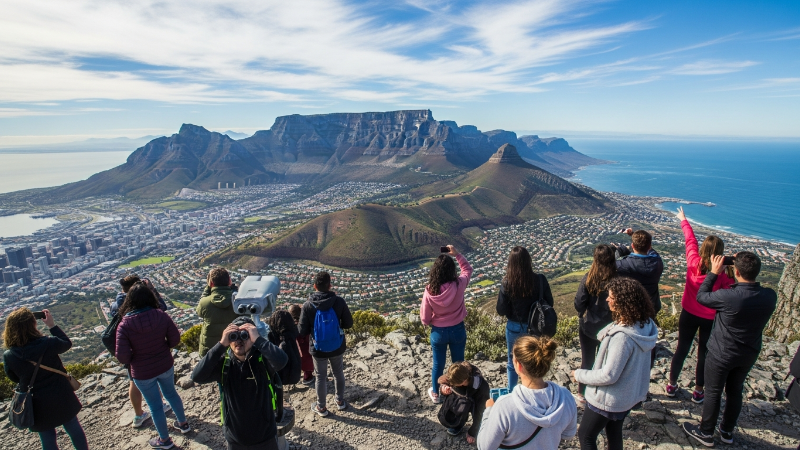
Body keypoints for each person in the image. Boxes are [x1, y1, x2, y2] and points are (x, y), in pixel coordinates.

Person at [683, 252, 777, 447]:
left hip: (722, 353)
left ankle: (706, 432)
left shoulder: (729, 297)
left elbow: (702, 296)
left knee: (713, 392)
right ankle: (727, 431)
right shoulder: (769, 296)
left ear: (736, 271)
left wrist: (714, 273)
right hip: (748, 353)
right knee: (735, 391)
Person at [573, 277, 658, 450]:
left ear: (623, 302)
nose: (607, 299)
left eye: (611, 297)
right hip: (628, 396)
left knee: (586, 435)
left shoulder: (623, 337)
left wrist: (579, 375)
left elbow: (608, 374)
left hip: (609, 399)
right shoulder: (645, 324)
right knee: (613, 430)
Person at [666, 207, 735, 403]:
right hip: (710, 319)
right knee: (703, 353)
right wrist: (730, 267)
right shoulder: (722, 274)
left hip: (688, 313)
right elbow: (731, 292)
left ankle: (672, 384)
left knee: (681, 349)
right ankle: (698, 390)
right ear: (720, 255)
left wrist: (683, 219)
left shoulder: (692, 262)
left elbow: (690, 241)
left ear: (702, 250)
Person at [191, 316, 289, 450]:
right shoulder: (224, 364)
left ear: (253, 338)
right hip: (235, 438)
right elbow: (197, 376)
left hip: (265, 437)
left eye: (244, 336)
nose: (238, 341)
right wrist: (220, 345)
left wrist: (259, 340)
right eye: (233, 336)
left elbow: (282, 361)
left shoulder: (263, 361)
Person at [116, 282, 189, 449]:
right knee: (171, 394)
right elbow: (175, 339)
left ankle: (165, 440)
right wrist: (163, 347)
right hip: (164, 363)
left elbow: (122, 356)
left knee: (155, 406)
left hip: (142, 372)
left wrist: (136, 357)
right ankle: (184, 424)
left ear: (129, 300)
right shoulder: (160, 315)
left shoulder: (125, 325)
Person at [3, 308, 89, 450]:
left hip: (35, 402)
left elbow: (13, 378)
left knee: (47, 438)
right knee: (73, 427)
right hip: (61, 394)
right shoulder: (47, 343)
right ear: (33, 325)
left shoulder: (9, 355)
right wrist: (52, 326)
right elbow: (67, 343)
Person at [478, 336, 577, 450]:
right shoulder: (566, 397)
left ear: (518, 365)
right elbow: (568, 435)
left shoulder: (504, 406)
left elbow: (484, 447)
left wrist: (489, 411)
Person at [111, 275, 172, 428]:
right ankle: (160, 411)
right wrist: (152, 289)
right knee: (153, 377)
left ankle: (139, 415)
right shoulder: (143, 303)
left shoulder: (117, 305)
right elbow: (162, 308)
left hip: (131, 351)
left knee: (134, 381)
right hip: (151, 348)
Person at [420, 245, 473, 404]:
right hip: (457, 329)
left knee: (438, 364)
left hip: (438, 332)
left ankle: (436, 394)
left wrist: (428, 322)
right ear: (451, 271)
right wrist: (457, 254)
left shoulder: (430, 290)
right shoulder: (459, 284)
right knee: (458, 364)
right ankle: (459, 392)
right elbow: (467, 269)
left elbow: (425, 315)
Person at [496, 246, 554, 390]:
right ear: (528, 261)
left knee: (512, 361)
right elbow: (549, 304)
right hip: (536, 327)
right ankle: (534, 390)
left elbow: (501, 310)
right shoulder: (540, 280)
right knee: (535, 360)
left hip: (514, 327)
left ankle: (512, 391)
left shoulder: (507, 283)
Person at [298, 271, 354, 417]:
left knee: (321, 376)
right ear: (330, 285)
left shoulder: (308, 305)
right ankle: (340, 401)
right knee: (338, 372)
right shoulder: (339, 301)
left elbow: (302, 330)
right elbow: (349, 324)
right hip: (337, 345)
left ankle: (321, 407)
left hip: (318, 348)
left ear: (315, 286)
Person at [573, 244, 617, 404]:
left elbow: (579, 303)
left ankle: (582, 393)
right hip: (610, 329)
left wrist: (582, 312)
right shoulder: (617, 280)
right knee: (606, 362)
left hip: (589, 327)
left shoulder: (588, 278)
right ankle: (601, 393)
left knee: (587, 360)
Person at [437, 361, 491, 444]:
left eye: (454, 384)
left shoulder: (481, 387)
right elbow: (443, 381)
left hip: (474, 399)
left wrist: (473, 432)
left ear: (464, 381)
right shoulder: (456, 372)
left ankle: (477, 429)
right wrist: (443, 388)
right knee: (456, 400)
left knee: (478, 411)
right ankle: (457, 424)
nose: (451, 384)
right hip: (462, 397)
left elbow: (480, 412)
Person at [267, 309, 302, 421]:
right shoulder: (292, 337)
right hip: (294, 374)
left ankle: (278, 413)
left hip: (282, 378)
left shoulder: (281, 344)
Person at [196, 267, 239, 356]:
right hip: (234, 347)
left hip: (209, 349)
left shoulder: (204, 303)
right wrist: (235, 290)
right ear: (229, 281)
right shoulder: (238, 301)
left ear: (211, 283)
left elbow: (199, 312)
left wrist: (208, 288)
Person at [289, 304, 314, 385]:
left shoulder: (289, 325)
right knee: (307, 360)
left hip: (294, 348)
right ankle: (307, 377)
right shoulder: (303, 323)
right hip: (305, 346)